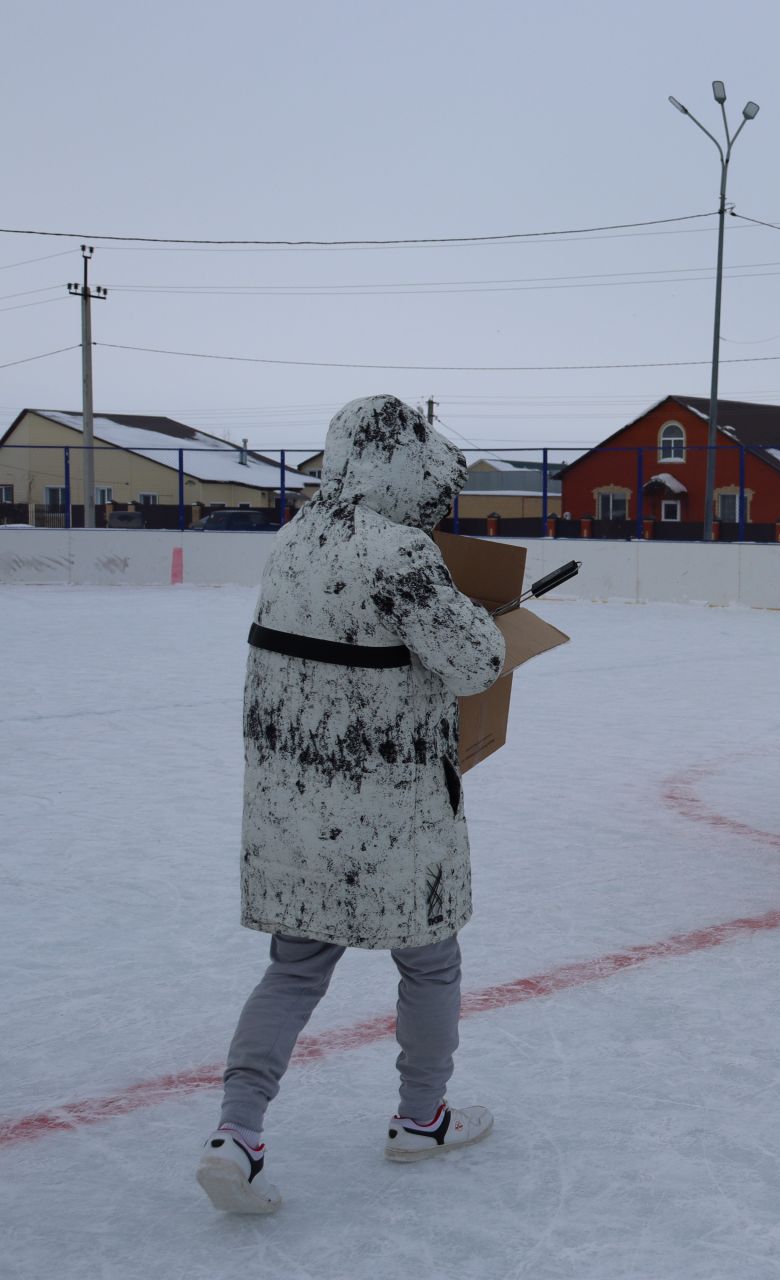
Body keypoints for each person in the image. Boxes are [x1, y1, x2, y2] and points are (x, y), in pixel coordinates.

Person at [198, 395, 507, 1215]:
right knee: (430, 961)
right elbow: (476, 660)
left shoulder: (294, 539)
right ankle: (421, 1117)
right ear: (404, 464)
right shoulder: (401, 551)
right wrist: (482, 619)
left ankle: (237, 1133)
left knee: (295, 968)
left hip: (295, 801)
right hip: (394, 808)